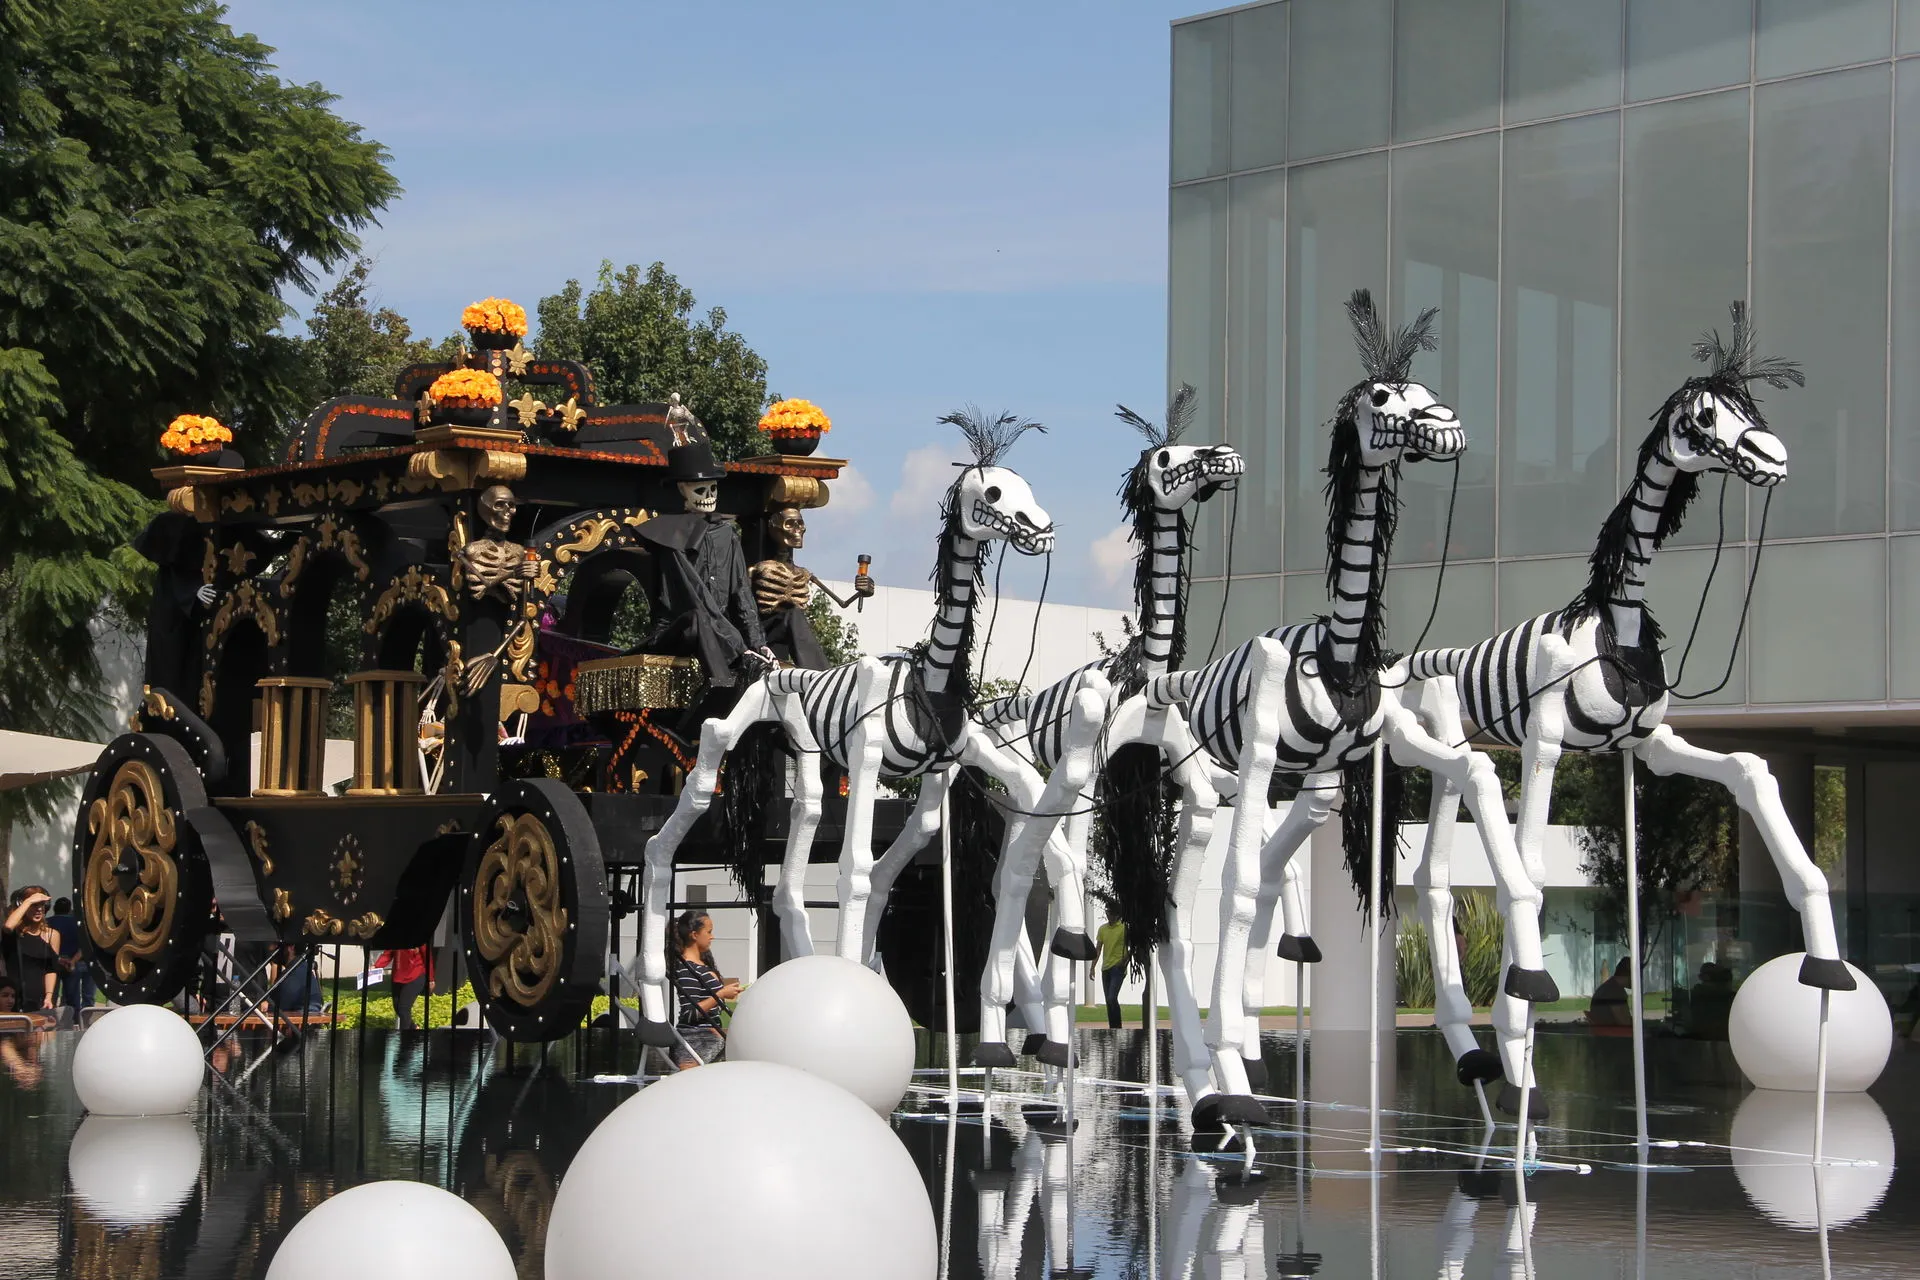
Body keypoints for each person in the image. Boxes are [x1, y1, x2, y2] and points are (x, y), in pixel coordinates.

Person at [748, 505, 874, 668]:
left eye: (800, 524)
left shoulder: (803, 572)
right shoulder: (757, 569)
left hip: (788, 632)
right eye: (790, 524)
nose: (798, 530)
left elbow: (843, 603)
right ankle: (821, 676)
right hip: (762, 630)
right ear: (774, 527)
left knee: (793, 614)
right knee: (791, 613)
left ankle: (819, 674)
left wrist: (863, 591)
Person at [667, 909, 740, 1069]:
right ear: (694, 935)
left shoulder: (702, 965)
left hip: (709, 1038)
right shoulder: (686, 968)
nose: (712, 936)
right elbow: (690, 1013)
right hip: (696, 1041)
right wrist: (720, 994)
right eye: (709, 932)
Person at [2, 887, 66, 1012]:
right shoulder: (15, 932)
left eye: (41, 905)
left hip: (42, 1001)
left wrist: (49, 996)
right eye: (34, 905)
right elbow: (8, 926)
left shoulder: (53, 935)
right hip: (15, 999)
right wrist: (28, 901)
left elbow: (51, 969)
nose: (38, 909)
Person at [375, 945, 434, 1029]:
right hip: (398, 975)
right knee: (397, 1008)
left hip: (415, 974)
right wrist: (376, 966)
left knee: (403, 1008)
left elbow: (428, 958)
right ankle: (414, 1028)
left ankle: (404, 1038)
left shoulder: (420, 937)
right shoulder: (396, 937)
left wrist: (430, 978)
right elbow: (387, 954)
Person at [47, 897, 88, 1013]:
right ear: (69, 909)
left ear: (55, 908)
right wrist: (73, 960)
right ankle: (73, 1021)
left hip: (53, 962)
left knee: (52, 994)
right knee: (72, 996)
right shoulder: (77, 923)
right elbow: (83, 945)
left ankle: (51, 1016)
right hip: (71, 961)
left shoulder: (48, 922)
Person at [1090, 915, 1128, 1030]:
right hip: (1105, 968)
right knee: (1108, 1000)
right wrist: (1092, 967)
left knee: (1112, 997)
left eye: (1110, 912)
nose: (1108, 915)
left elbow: (1132, 948)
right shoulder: (1102, 929)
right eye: (1107, 911)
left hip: (1118, 968)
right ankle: (1113, 1028)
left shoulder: (1124, 928)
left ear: (1117, 914)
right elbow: (1098, 949)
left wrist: (1123, 961)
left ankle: (1117, 1027)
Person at [267, 944, 325, 1015]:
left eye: (277, 945)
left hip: (296, 1023)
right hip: (302, 1019)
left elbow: (277, 1007)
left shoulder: (294, 974)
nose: (271, 948)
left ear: (291, 947)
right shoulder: (301, 967)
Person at [1587, 956, 1633, 1029]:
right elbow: (1624, 1023)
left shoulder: (1610, 987)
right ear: (1630, 974)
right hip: (1614, 1037)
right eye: (1636, 975)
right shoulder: (1614, 992)